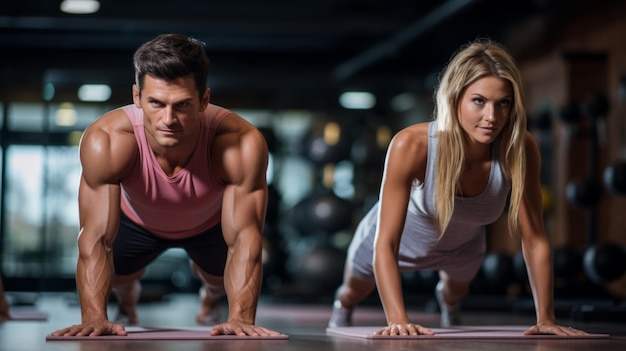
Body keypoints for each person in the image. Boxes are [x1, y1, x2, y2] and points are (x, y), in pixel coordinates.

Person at [328, 38, 588, 337]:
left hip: (462, 248)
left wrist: (546, 318)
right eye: (479, 101)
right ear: (454, 99)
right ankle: (342, 306)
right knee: (353, 291)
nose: (492, 117)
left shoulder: (519, 147)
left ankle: (447, 304)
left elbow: (534, 239)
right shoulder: (412, 145)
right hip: (388, 245)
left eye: (502, 103)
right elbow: (386, 243)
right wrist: (398, 319)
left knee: (454, 293)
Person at [52, 33, 280, 337]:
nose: (168, 119)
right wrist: (93, 317)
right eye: (156, 103)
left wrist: (240, 318)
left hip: (209, 224)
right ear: (136, 97)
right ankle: (127, 301)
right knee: (120, 280)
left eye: (183, 105)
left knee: (216, 282)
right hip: (136, 223)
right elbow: (95, 237)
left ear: (204, 99)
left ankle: (209, 298)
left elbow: (245, 239)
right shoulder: (107, 140)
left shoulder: (240, 143)